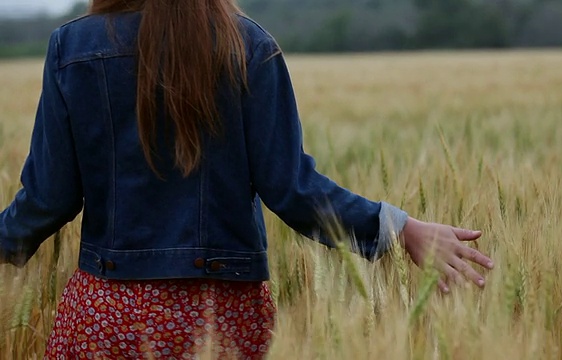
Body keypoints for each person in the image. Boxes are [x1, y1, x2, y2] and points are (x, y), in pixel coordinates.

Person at [0, 0, 494, 359]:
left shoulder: (71, 48)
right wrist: (397, 227)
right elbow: (293, 190)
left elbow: (47, 199)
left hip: (108, 319)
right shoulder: (249, 46)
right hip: (220, 324)